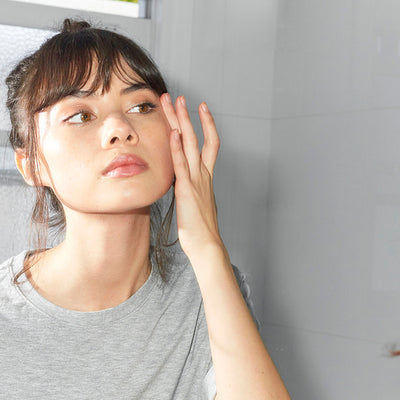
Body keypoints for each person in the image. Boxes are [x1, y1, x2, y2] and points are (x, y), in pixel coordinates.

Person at [0, 19, 290, 399]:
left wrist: (207, 248)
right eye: (81, 115)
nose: (119, 128)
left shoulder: (211, 290)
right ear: (31, 165)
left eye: (141, 106)